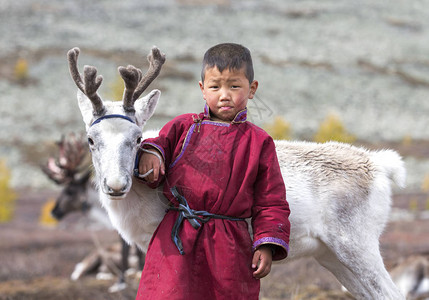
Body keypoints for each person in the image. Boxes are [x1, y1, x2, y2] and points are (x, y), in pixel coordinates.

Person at [135, 43, 290, 299]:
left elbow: (271, 200)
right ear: (202, 89)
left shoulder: (259, 142)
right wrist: (150, 154)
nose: (224, 95)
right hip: (178, 239)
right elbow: (159, 144)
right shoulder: (183, 126)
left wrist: (267, 244)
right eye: (215, 86)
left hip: (228, 245)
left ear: (252, 89)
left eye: (234, 86)